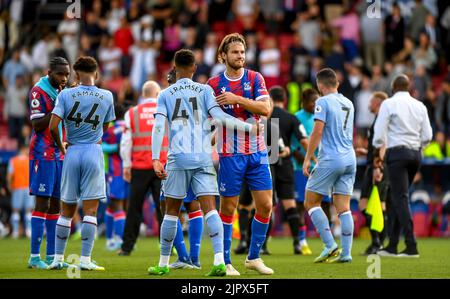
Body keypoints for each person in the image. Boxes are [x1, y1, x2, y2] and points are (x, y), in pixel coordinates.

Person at [148, 49, 258, 276]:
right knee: (210, 210)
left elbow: (159, 127)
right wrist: (249, 127)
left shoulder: (166, 94)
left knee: (171, 212)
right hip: (202, 157)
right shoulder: (205, 90)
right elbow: (220, 117)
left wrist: (155, 158)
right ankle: (219, 261)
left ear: (174, 66)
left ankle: (162, 264)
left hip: (177, 158)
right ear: (195, 68)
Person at [207, 32, 274, 276]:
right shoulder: (212, 85)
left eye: (243, 52)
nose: (240, 56)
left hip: (257, 152)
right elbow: (208, 120)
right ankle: (225, 262)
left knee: (266, 205)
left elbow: (265, 109)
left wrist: (237, 99)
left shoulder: (255, 78)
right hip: (229, 153)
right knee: (228, 208)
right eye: (235, 52)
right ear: (223, 55)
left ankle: (253, 258)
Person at [48, 56, 115, 270]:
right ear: (96, 73)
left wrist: (61, 146)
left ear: (76, 74)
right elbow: (106, 125)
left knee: (66, 210)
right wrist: (94, 135)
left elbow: (52, 126)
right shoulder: (107, 95)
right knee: (91, 211)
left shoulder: (66, 94)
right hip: (94, 151)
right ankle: (85, 260)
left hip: (73, 150)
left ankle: (58, 259)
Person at [373, 74, 432, 258]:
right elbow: (428, 135)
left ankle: (411, 245)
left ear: (393, 86)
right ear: (409, 86)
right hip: (415, 154)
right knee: (400, 197)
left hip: (397, 153)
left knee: (400, 198)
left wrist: (377, 150)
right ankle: (392, 245)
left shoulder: (389, 104)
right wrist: (418, 148)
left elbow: (379, 132)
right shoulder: (419, 105)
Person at [303, 68, 356, 263]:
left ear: (320, 85)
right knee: (344, 207)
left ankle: (329, 244)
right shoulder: (348, 102)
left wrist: (308, 157)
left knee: (310, 201)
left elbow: (317, 132)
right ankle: (346, 253)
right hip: (350, 158)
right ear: (337, 83)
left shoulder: (322, 102)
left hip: (331, 158)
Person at [27, 57, 70, 269]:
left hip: (58, 153)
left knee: (56, 205)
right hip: (41, 153)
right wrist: (58, 105)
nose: (64, 78)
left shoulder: (61, 92)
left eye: (67, 74)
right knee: (42, 203)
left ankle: (53, 256)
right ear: (49, 72)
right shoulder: (38, 91)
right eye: (60, 74)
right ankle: (34, 257)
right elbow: (36, 125)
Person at [118, 80, 166, 256]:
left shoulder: (132, 113)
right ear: (157, 93)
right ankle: (168, 246)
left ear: (143, 94)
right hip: (162, 166)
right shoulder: (165, 109)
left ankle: (126, 247)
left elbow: (126, 143)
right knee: (165, 209)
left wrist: (126, 165)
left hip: (139, 167)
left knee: (134, 209)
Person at [291, 88, 332, 255]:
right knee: (302, 204)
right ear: (304, 103)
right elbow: (293, 145)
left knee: (326, 203)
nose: (315, 105)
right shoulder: (297, 118)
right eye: (312, 102)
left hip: (322, 166)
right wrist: (305, 160)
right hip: (301, 167)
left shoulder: (322, 115)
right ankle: (302, 240)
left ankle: (327, 241)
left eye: (317, 101)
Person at [355, 91, 389, 255]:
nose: (369, 104)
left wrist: (378, 166)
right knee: (373, 205)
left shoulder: (382, 121)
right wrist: (366, 151)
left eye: (372, 102)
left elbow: (383, 144)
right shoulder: (378, 121)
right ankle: (380, 241)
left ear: (379, 104)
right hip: (374, 165)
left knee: (373, 204)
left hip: (377, 167)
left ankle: (378, 242)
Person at [102, 104, 128, 251]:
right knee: (118, 206)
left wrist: (115, 148)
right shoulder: (130, 127)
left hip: (114, 171)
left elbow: (101, 146)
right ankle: (116, 239)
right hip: (130, 170)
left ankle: (115, 239)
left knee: (115, 205)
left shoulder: (111, 129)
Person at [7, 144, 35, 239]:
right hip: (28, 188)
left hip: (17, 187)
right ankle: (28, 231)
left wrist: (10, 187)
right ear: (23, 149)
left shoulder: (13, 161)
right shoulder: (30, 160)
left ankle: (15, 232)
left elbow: (9, 176)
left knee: (15, 210)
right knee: (28, 210)